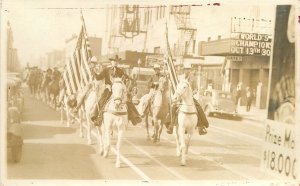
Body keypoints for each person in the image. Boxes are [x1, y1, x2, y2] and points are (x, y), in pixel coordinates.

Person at [90, 55, 142, 126]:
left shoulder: (120, 70)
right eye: (114, 61)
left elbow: (126, 77)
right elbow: (99, 77)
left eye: (117, 61)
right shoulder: (106, 70)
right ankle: (97, 117)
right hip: (109, 89)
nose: (115, 62)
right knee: (101, 100)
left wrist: (130, 78)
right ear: (111, 62)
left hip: (118, 90)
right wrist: (93, 71)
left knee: (127, 101)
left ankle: (134, 117)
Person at [166, 63, 209, 135]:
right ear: (184, 70)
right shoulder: (181, 78)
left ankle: (201, 126)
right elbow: (178, 87)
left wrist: (193, 93)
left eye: (188, 69)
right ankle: (171, 125)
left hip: (190, 97)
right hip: (181, 97)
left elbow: (196, 88)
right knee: (173, 107)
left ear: (190, 70)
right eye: (186, 69)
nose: (187, 71)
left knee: (199, 108)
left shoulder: (193, 78)